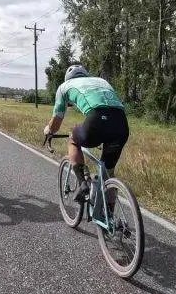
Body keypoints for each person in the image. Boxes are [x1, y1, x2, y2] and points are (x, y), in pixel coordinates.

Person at [43, 64, 129, 203]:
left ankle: (83, 184)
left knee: (73, 138)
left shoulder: (64, 86)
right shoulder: (102, 81)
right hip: (121, 123)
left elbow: (57, 120)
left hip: (96, 120)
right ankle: (111, 219)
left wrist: (49, 130)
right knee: (108, 174)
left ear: (67, 79)